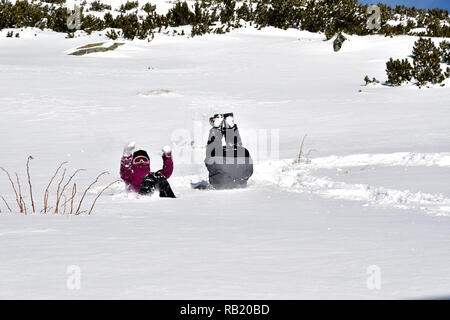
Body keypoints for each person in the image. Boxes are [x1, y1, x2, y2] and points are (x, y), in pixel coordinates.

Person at [205, 113, 253, 189]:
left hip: (219, 185)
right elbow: (250, 170)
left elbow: (208, 163)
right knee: (237, 149)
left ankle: (217, 128)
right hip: (241, 182)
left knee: (211, 152)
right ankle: (230, 126)